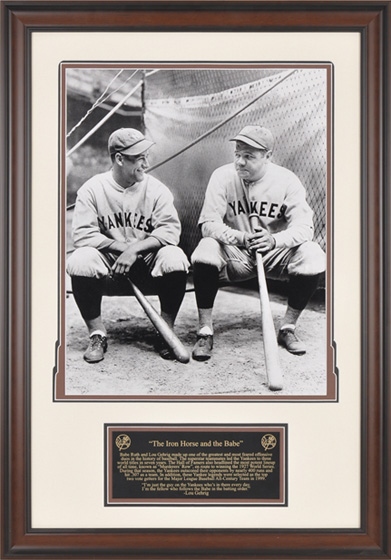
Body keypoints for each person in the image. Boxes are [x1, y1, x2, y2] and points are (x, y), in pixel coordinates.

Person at [190, 124, 326, 361]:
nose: (240, 162)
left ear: (268, 157)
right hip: (237, 254)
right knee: (205, 248)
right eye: (238, 154)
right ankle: (205, 330)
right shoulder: (222, 176)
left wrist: (274, 240)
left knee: (313, 254)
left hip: (274, 255)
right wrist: (239, 237)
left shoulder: (286, 180)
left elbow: (305, 228)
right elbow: (208, 224)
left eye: (249, 156)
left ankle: (288, 328)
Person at [66, 127, 189, 363]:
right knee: (80, 259)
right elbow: (82, 235)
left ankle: (165, 329)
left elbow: (170, 231)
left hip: (147, 261)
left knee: (174, 256)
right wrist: (120, 248)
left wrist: (134, 249)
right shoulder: (93, 188)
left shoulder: (156, 189)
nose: (145, 162)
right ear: (119, 159)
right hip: (110, 264)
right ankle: (97, 333)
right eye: (138, 157)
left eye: (145, 156)